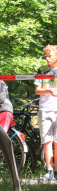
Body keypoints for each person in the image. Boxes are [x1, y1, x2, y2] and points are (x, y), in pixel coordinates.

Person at [35, 45, 57, 182]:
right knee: (47, 141)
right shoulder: (42, 70)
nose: (47, 58)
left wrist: (46, 88)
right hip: (45, 109)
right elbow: (38, 90)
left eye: (50, 56)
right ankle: (49, 171)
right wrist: (48, 91)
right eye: (46, 56)